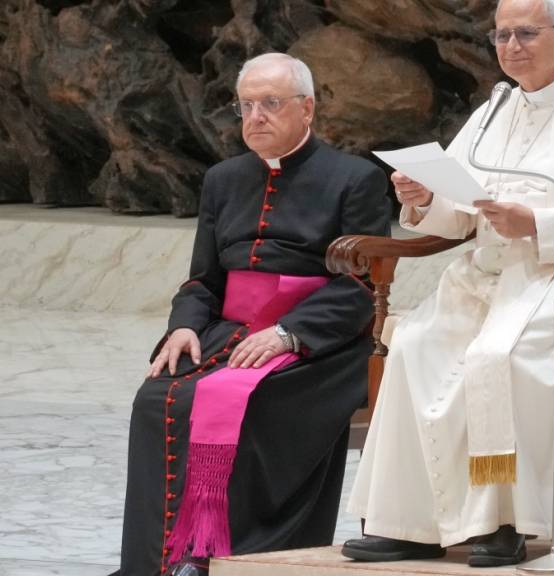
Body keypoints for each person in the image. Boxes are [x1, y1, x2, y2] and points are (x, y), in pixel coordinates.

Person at [341, 0, 554, 567]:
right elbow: (460, 213)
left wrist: (539, 224)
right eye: (501, 35)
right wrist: (423, 198)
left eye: (526, 33)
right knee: (417, 347)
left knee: (500, 357)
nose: (512, 46)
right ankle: (411, 523)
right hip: (488, 275)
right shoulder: (494, 109)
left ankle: (504, 522)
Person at [111, 53, 391, 576]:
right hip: (230, 332)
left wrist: (290, 334)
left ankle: (233, 556)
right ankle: (159, 561)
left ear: (306, 108)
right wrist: (184, 326)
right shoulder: (222, 178)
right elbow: (203, 279)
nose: (255, 116)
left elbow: (362, 284)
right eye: (246, 106)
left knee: (246, 400)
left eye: (271, 103)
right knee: (157, 396)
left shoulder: (356, 179)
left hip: (319, 343)